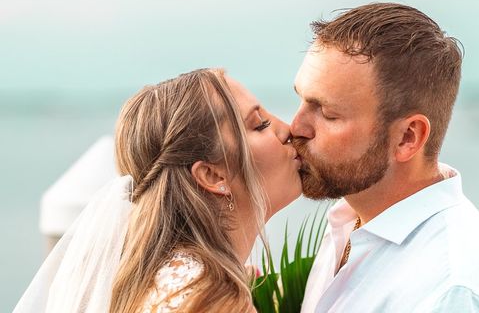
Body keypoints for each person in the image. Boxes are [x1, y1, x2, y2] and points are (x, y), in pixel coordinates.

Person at [292, 3, 479, 312]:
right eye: (300, 98)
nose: (296, 126)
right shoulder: (352, 218)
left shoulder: (450, 291)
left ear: (408, 137)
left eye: (326, 113)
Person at [14, 68, 302, 313]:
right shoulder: (213, 299)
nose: (287, 129)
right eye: (260, 125)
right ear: (212, 175)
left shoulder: (162, 280)